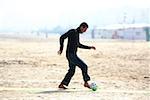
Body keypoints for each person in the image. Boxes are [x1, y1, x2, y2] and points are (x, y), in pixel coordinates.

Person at [58, 22, 96, 89]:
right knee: (84, 66)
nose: (84, 31)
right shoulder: (73, 31)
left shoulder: (77, 34)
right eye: (84, 30)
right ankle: (86, 82)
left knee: (72, 71)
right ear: (81, 27)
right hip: (71, 55)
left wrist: (89, 47)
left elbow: (78, 45)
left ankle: (62, 84)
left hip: (72, 55)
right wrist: (61, 48)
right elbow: (62, 37)